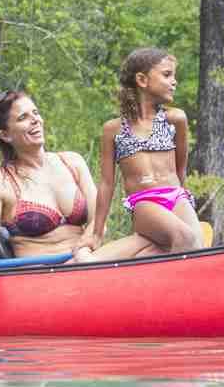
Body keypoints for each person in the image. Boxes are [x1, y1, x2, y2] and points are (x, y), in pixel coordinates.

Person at [0, 89, 97, 279]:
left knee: (141, 243)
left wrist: (83, 252)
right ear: (5, 135)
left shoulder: (73, 162)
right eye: (23, 117)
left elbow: (99, 221)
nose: (35, 120)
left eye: (35, 113)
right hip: (39, 277)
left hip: (86, 264)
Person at [85, 47, 204, 260]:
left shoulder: (176, 119)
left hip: (176, 196)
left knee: (197, 244)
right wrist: (96, 233)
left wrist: (185, 204)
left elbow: (180, 170)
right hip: (144, 202)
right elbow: (106, 184)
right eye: (167, 75)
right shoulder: (113, 129)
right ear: (142, 79)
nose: (174, 81)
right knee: (185, 238)